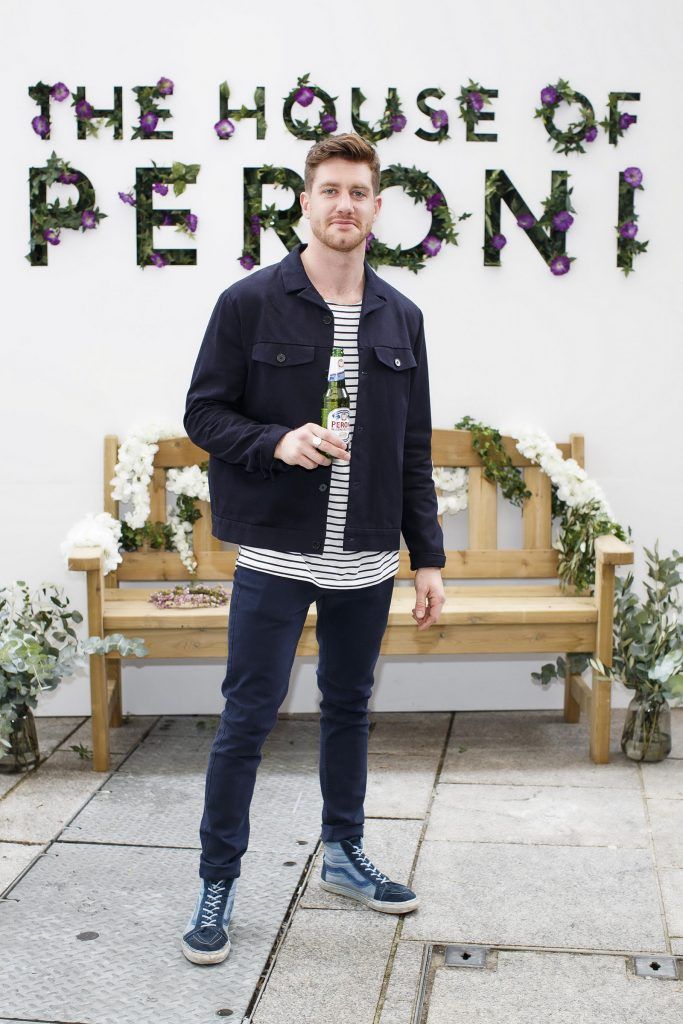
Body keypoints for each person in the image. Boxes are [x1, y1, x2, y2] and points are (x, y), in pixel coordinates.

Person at [180, 132, 446, 965]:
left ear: (376, 207)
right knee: (246, 719)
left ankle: (343, 854)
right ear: (305, 200)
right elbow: (204, 415)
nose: (344, 205)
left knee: (347, 712)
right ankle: (217, 878)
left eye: (359, 192)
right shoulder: (249, 303)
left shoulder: (400, 317)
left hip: (363, 559)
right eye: (329, 189)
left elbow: (409, 450)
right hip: (275, 555)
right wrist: (274, 442)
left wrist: (426, 559)